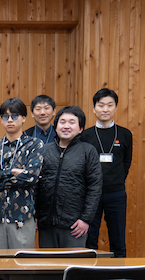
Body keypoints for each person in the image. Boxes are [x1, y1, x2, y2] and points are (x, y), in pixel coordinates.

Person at [0, 98, 44, 249]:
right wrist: (14, 172)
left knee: (22, 266)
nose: (9, 120)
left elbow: (31, 177)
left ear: (24, 118)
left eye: (14, 116)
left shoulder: (34, 145)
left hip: (22, 216)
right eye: (5, 116)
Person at [36, 106, 102, 248]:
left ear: (80, 129)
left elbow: (95, 187)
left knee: (71, 267)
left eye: (72, 122)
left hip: (74, 225)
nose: (66, 126)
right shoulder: (44, 150)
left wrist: (85, 219)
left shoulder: (88, 151)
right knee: (48, 268)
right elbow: (36, 185)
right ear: (56, 126)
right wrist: (35, 215)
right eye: (62, 122)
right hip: (46, 223)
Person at [83, 88, 133, 257]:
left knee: (118, 240)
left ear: (115, 108)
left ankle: (119, 275)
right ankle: (88, 274)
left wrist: (116, 180)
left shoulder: (125, 134)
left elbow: (126, 162)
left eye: (110, 105)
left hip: (116, 194)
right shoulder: (86, 135)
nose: (105, 109)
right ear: (94, 108)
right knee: (90, 239)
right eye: (101, 105)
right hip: (90, 195)